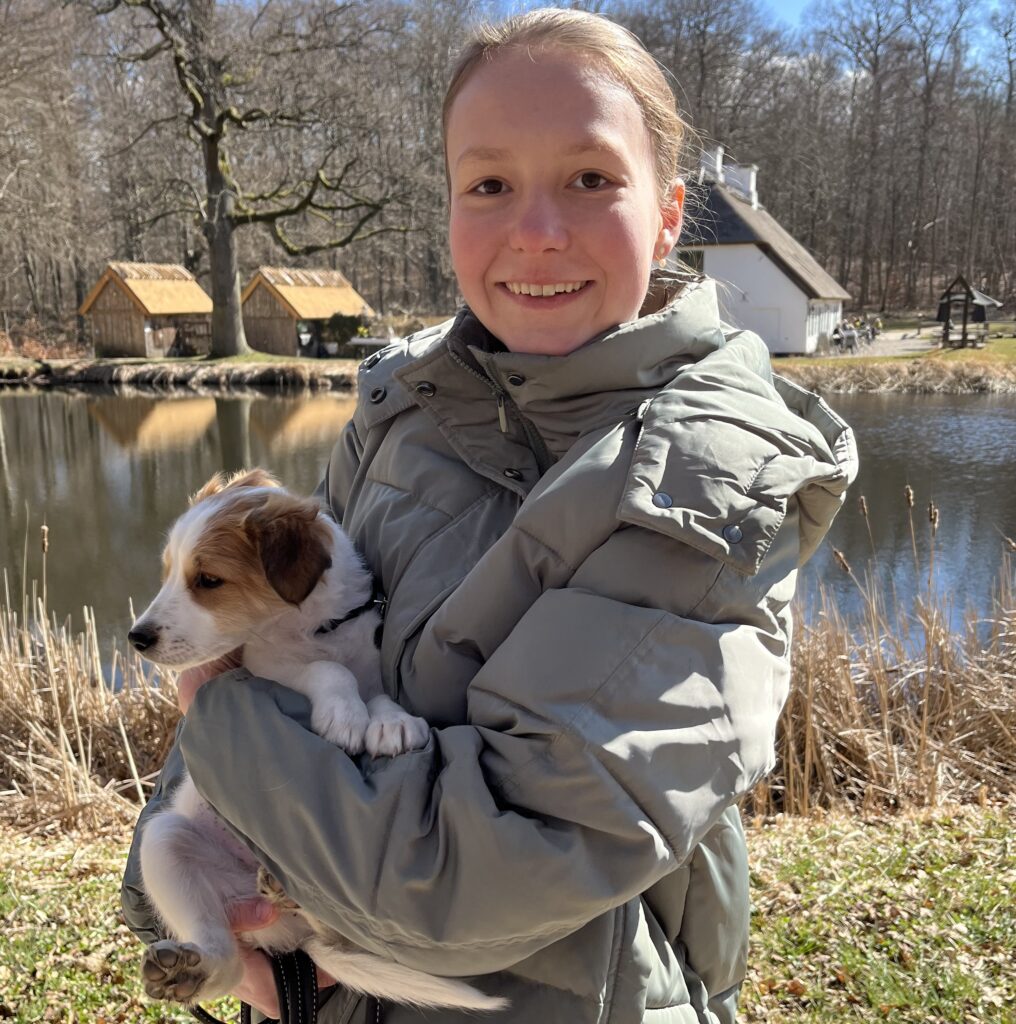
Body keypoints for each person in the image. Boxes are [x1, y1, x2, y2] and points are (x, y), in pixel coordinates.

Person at [121, 9, 857, 1024]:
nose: (537, 230)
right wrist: (211, 905)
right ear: (451, 207)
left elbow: (469, 883)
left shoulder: (703, 475)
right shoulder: (402, 406)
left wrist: (219, 719)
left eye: (591, 179)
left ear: (669, 214)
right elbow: (265, 629)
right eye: (489, 184)